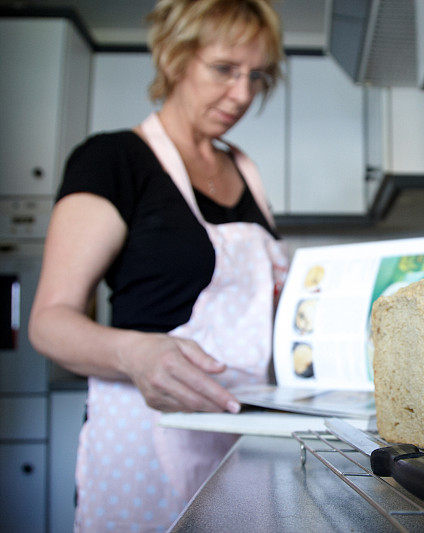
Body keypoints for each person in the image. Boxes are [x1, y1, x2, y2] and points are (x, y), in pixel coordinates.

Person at [28, 0, 287, 529]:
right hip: (145, 437)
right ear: (174, 58)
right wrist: (133, 352)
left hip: (244, 440)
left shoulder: (246, 170)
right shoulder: (113, 160)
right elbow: (49, 322)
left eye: (256, 77)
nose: (242, 94)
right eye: (224, 70)